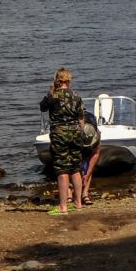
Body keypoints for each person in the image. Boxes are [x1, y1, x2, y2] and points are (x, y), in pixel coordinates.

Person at [39, 68, 90, 216]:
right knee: (75, 168)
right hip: (75, 133)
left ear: (57, 80)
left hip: (60, 133)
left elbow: (42, 107)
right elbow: (81, 118)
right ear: (68, 80)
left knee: (62, 169)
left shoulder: (53, 95)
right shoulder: (76, 95)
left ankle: (63, 206)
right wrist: (80, 132)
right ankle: (78, 203)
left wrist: (50, 92)